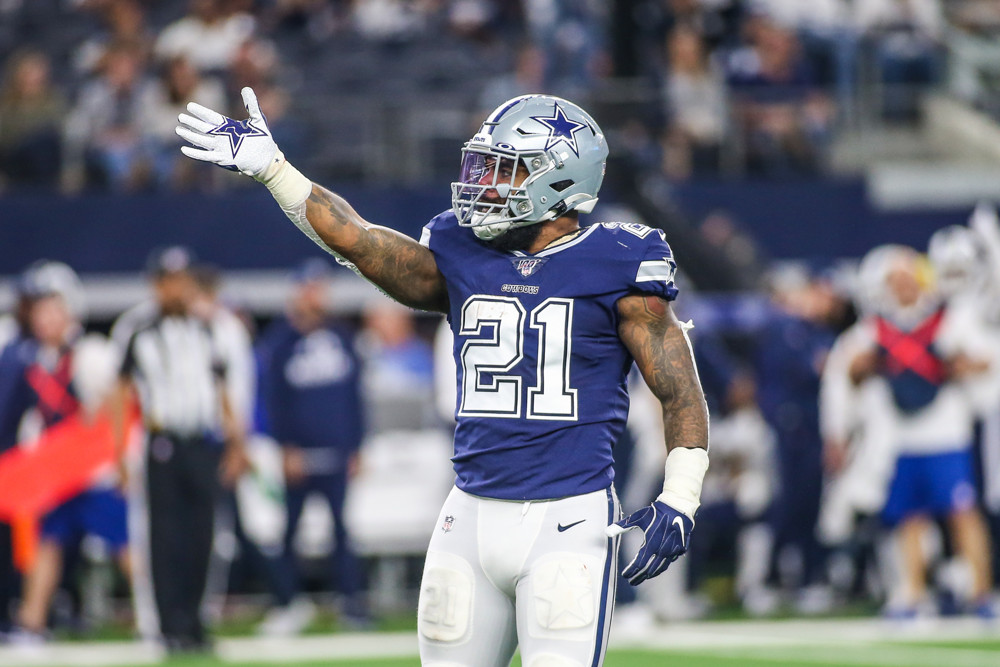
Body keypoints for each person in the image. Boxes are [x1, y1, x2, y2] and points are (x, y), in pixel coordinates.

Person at [176, 89, 710, 665]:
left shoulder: (619, 260)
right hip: (469, 513)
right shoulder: (461, 248)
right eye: (484, 166)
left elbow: (678, 388)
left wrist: (680, 498)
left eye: (506, 170)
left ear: (559, 182)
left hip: (569, 517)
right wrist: (276, 172)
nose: (485, 184)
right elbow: (360, 240)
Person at [109, 246, 249, 653]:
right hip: (163, 443)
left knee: (202, 537)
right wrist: (118, 451)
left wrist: (236, 442)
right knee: (165, 539)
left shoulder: (207, 329)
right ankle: (169, 626)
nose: (178, 288)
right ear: (157, 285)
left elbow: (222, 388)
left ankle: (195, 624)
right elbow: (119, 392)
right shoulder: (137, 328)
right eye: (170, 280)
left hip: (202, 442)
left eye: (183, 279)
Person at [0, 261, 126, 643]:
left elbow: (115, 407)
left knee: (126, 543)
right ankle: (32, 622)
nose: (45, 318)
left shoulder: (90, 353)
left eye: (53, 308)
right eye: (41, 309)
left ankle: (158, 613)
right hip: (55, 474)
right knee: (46, 546)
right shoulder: (29, 358)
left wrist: (117, 458)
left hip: (91, 471)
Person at [254, 258, 369, 634]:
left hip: (336, 452)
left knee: (341, 531)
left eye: (320, 289)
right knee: (289, 533)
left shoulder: (342, 336)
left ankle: (350, 603)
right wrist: (285, 448)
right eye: (309, 289)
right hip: (299, 455)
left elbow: (355, 396)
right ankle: (288, 603)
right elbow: (272, 400)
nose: (315, 296)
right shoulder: (281, 342)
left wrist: (357, 446)